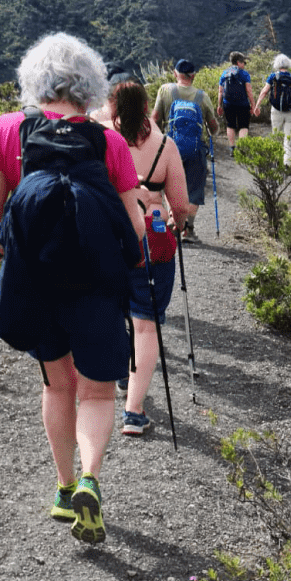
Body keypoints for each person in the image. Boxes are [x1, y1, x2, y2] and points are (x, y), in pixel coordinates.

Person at [0, 32, 147, 545]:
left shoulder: (8, 130)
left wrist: (0, 244)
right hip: (95, 282)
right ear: (91, 86)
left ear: (35, 79)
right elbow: (134, 228)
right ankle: (92, 477)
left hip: (37, 279)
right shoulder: (109, 141)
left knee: (57, 384)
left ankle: (65, 486)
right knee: (96, 390)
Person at [97, 78, 189, 436]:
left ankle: (120, 369)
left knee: (113, 307)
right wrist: (176, 223)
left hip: (104, 235)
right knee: (146, 323)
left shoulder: (100, 137)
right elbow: (179, 205)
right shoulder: (165, 146)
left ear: (113, 107)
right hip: (151, 238)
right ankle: (133, 411)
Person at [151, 59, 218, 244]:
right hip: (195, 149)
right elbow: (213, 127)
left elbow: (155, 119)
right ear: (193, 76)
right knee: (194, 189)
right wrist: (212, 131)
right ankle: (188, 230)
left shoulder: (165, 90)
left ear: (175, 74)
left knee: (169, 185)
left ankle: (173, 222)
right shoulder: (202, 97)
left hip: (169, 147)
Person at [253, 54, 291, 166]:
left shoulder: (272, 76)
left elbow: (264, 91)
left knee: (276, 135)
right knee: (289, 138)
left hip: (276, 111)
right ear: (288, 64)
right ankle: (287, 163)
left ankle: (276, 161)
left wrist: (257, 105)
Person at [217, 51, 254, 158]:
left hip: (228, 104)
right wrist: (253, 105)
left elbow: (220, 91)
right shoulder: (244, 74)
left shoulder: (225, 73)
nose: (244, 65)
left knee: (230, 125)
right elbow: (249, 92)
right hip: (243, 104)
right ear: (238, 62)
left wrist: (219, 105)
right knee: (243, 126)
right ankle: (242, 149)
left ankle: (232, 148)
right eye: (244, 63)